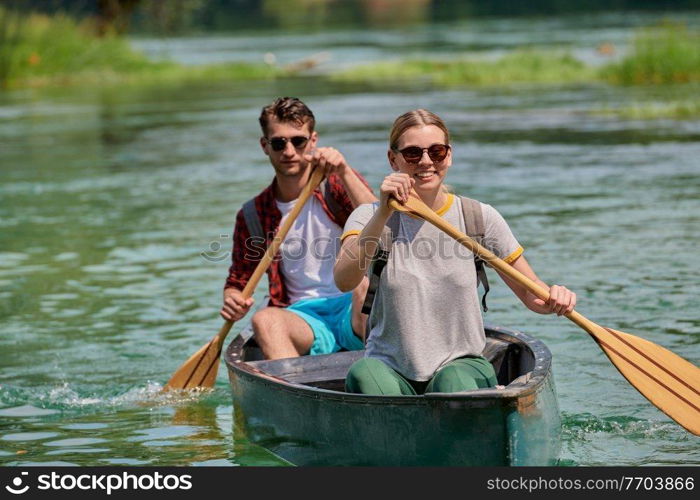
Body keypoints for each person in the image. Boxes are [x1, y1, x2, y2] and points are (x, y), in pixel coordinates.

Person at [334, 109, 577, 395]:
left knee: (452, 385)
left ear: (448, 156)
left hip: (462, 364)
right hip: (389, 367)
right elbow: (344, 280)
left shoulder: (479, 217)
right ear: (393, 159)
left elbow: (530, 293)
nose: (426, 162)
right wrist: (384, 212)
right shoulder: (369, 217)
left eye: (436, 152)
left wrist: (554, 298)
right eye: (413, 153)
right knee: (365, 376)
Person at [222, 97, 377, 360]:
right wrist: (232, 298)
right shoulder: (252, 214)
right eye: (279, 143)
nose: (289, 151)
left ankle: (379, 373)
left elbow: (381, 221)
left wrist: (345, 171)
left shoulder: (337, 184)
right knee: (264, 320)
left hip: (351, 306)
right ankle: (295, 389)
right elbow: (238, 281)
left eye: (298, 141)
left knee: (365, 289)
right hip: (301, 316)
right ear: (265, 146)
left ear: (313, 141)